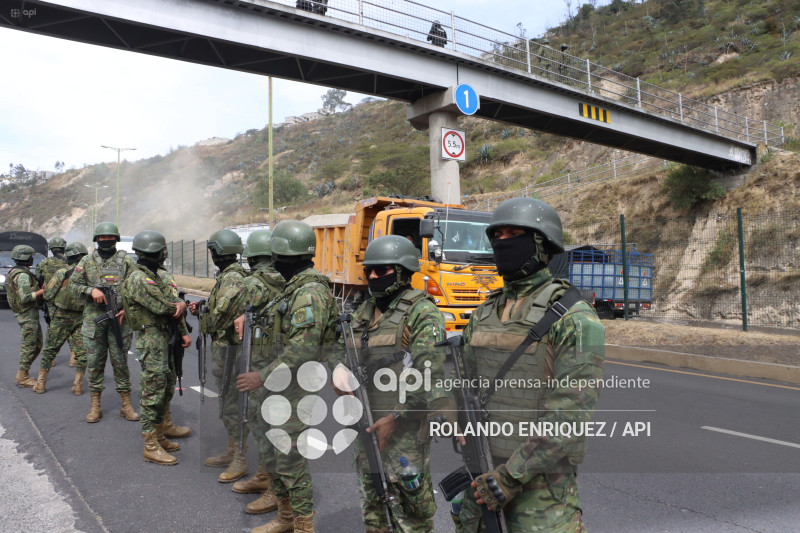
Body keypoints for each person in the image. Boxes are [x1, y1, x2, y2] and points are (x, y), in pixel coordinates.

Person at [455, 197, 605, 533]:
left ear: (541, 243)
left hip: (541, 497)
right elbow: (464, 379)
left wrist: (509, 477)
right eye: (498, 235)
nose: (503, 243)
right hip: (481, 479)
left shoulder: (576, 319)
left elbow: (569, 416)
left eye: (514, 234)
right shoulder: (484, 313)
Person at [332, 235, 448, 533]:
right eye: (368, 270)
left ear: (401, 272)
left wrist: (395, 417)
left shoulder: (421, 312)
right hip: (365, 425)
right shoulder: (362, 312)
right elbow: (341, 350)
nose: (371, 276)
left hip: (403, 431)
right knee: (373, 508)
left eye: (381, 270)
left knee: (411, 517)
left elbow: (429, 375)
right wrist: (338, 371)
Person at [236, 220, 338, 533]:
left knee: (291, 462)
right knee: (274, 456)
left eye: (276, 254)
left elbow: (301, 351)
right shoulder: (292, 289)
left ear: (284, 255)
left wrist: (260, 376)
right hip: (278, 390)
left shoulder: (308, 293)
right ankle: (285, 517)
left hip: (293, 391)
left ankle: (304, 526)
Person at [226, 230, 284, 516]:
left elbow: (229, 312)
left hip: (261, 362)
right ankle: (263, 474)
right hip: (279, 361)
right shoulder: (286, 282)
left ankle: (274, 488)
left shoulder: (251, 283)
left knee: (266, 425)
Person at [121, 230, 190, 465]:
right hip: (152, 340)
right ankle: (150, 444)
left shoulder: (155, 274)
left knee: (166, 387)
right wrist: (179, 305)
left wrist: (182, 330)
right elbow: (165, 307)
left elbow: (172, 303)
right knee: (152, 391)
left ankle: (160, 435)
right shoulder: (138, 278)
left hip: (165, 338)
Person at [188, 229, 248, 482]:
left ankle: (240, 458)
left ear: (219, 253)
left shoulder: (232, 279)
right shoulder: (228, 277)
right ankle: (232, 450)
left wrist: (201, 315)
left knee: (233, 405)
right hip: (229, 352)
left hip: (231, 353)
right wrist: (202, 308)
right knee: (228, 403)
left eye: (213, 251)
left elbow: (215, 322)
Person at [69, 222, 139, 423]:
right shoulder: (87, 260)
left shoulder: (126, 261)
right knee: (95, 365)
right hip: (95, 322)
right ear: (96, 240)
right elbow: (73, 284)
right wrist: (91, 290)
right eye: (103, 238)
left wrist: (126, 308)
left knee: (121, 364)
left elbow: (138, 287)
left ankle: (126, 405)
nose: (106, 241)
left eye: (110, 238)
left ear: (116, 240)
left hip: (119, 322)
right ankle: (95, 406)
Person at [33, 242, 89, 394]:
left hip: (61, 317)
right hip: (81, 318)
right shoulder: (90, 275)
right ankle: (77, 385)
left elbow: (48, 294)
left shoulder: (61, 273)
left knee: (50, 350)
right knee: (82, 353)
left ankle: (40, 383)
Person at [156, 250, 193, 441]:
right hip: (159, 338)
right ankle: (157, 434)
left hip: (160, 336)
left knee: (166, 382)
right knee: (159, 385)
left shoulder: (141, 275)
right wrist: (184, 332)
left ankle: (165, 425)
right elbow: (175, 308)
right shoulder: (159, 276)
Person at [6, 244, 44, 388]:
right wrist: (42, 292)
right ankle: (23, 377)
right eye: (31, 257)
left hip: (28, 314)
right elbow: (25, 297)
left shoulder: (17, 272)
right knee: (29, 345)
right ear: (26, 258)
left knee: (37, 344)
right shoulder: (22, 275)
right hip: (26, 314)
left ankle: (23, 373)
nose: (32, 259)